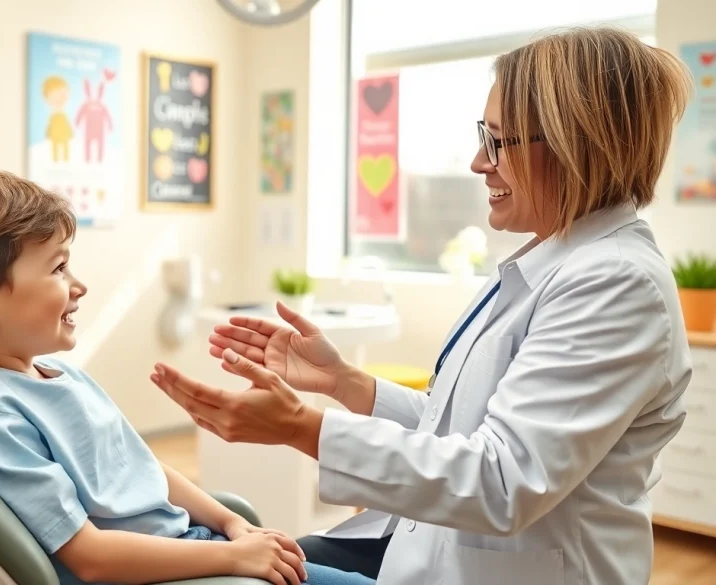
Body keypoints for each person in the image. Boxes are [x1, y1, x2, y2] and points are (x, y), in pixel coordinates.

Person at [151, 26, 694, 585]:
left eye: (499, 141)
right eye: (484, 135)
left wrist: (299, 427)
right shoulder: (555, 254)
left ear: (573, 144)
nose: (479, 162)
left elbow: (501, 480)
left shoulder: (615, 285)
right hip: (428, 544)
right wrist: (346, 383)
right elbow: (465, 427)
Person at [0, 171, 376, 585]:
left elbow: (142, 468)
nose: (79, 286)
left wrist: (229, 523)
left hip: (198, 553)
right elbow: (92, 559)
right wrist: (232, 559)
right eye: (58, 269)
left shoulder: (59, 373)